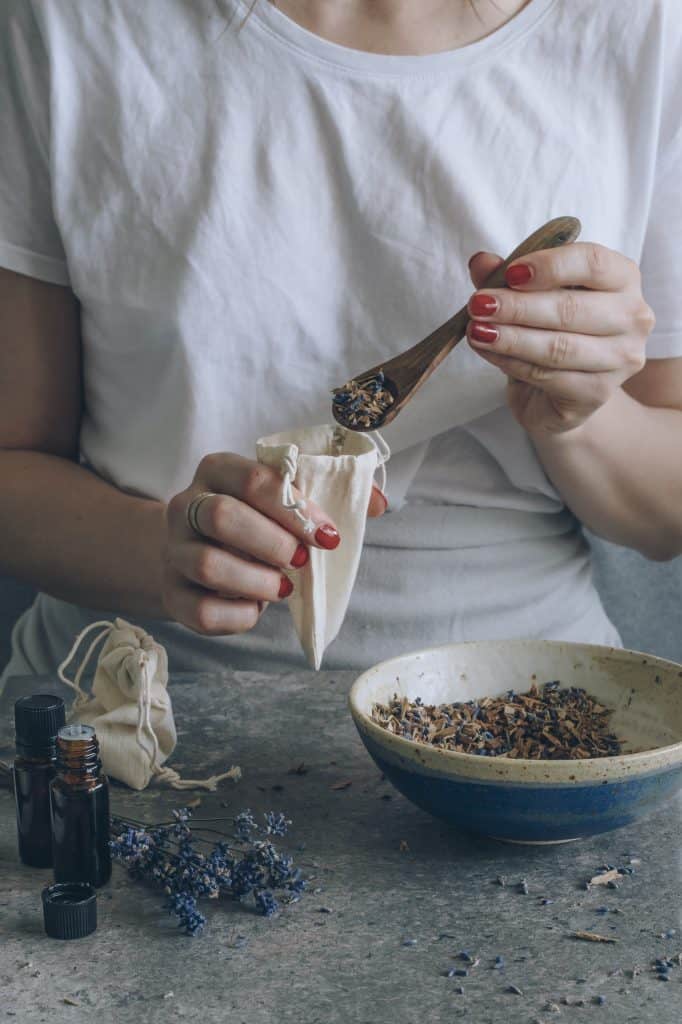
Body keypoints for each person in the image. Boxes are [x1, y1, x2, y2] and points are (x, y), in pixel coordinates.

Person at [1, 0, 681, 686]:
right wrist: (158, 555)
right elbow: (14, 461)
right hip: (136, 695)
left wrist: (577, 414)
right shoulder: (67, 21)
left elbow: (667, 517)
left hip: (528, 700)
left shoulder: (643, 24)